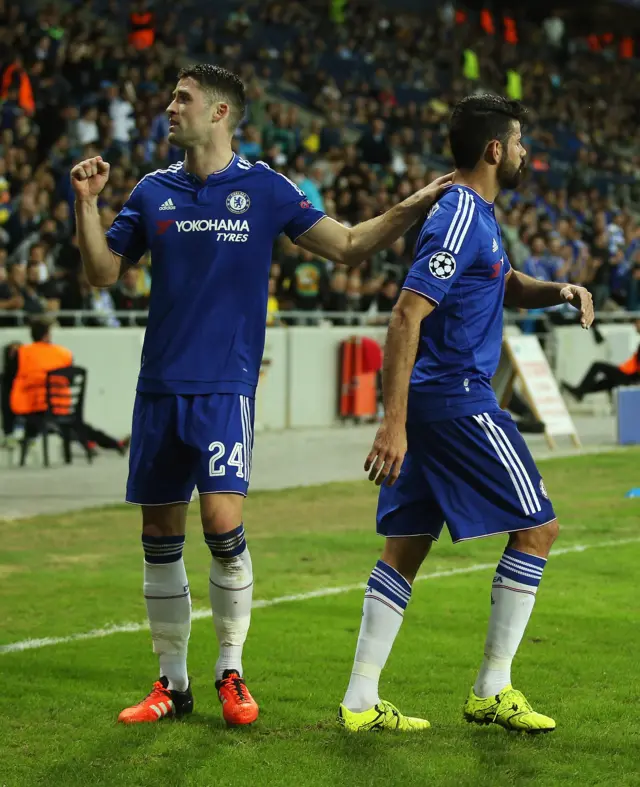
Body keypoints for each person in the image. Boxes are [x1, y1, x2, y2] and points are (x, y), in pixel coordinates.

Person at [70, 63, 451, 728]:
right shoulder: (150, 192)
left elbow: (351, 246)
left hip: (224, 389)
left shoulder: (266, 188)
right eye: (171, 97)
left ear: (220, 113)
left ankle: (231, 670)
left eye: (183, 98)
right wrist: (86, 204)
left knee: (221, 523)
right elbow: (102, 272)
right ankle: (173, 683)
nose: (170, 107)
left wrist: (412, 205)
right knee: (158, 535)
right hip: (159, 386)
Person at [337, 94, 594, 734]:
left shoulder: (478, 215)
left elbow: (502, 283)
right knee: (539, 530)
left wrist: (558, 290)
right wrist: (391, 422)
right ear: (494, 150)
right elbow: (407, 312)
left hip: (435, 402)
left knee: (406, 547)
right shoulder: (457, 212)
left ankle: (361, 701)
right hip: (455, 397)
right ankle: (492, 687)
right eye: (519, 141)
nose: (526, 153)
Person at [9, 317, 128, 454]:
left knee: (58, 426)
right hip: (60, 405)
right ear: (47, 335)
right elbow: (70, 380)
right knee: (76, 425)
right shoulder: (63, 354)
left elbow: (12, 377)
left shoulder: (23, 353)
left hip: (32, 406)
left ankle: (92, 444)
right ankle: (110, 444)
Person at [561, 320, 640, 401]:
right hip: (626, 373)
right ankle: (580, 392)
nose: (635, 326)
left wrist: (636, 381)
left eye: (637, 324)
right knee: (605, 383)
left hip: (629, 376)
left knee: (597, 366)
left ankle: (579, 392)